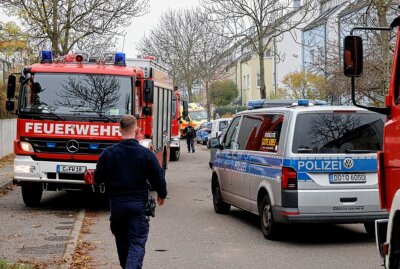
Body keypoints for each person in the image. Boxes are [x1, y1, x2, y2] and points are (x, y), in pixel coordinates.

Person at [94, 115, 167, 269]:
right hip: (137, 206)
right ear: (137, 130)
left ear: (120, 129)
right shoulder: (146, 154)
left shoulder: (108, 154)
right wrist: (162, 194)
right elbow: (158, 176)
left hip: (117, 206)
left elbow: (98, 178)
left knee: (122, 243)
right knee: (137, 243)